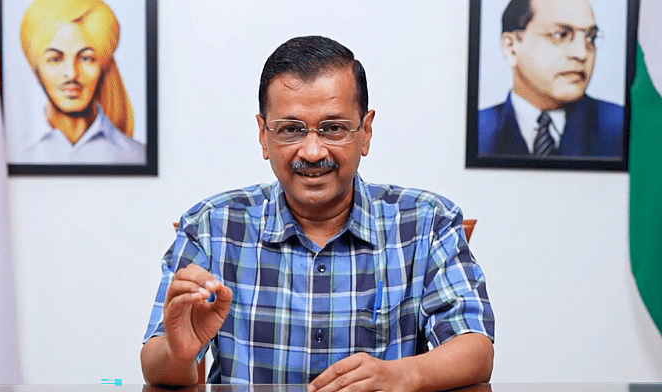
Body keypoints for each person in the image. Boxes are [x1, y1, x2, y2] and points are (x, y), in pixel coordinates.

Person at [141, 36, 494, 390]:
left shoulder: (426, 223)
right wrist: (179, 353)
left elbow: (476, 350)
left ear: (365, 131)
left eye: (333, 128)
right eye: (291, 129)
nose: (311, 151)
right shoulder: (212, 227)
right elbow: (156, 368)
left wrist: (402, 374)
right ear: (264, 135)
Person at [478, 0, 623, 158]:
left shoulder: (621, 127)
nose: (581, 53)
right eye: (561, 35)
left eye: (590, 37)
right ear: (511, 48)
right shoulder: (477, 130)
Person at [15, 0, 145, 164]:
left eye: (86, 58)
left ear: (103, 66)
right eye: (55, 59)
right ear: (36, 70)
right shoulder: (14, 153)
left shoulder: (137, 155)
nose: (71, 74)